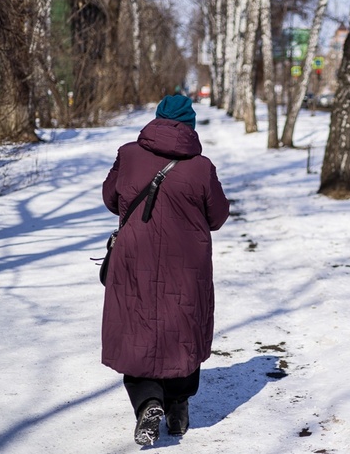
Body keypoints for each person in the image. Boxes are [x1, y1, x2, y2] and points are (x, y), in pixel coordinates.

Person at [101, 95, 229, 445]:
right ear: (190, 124)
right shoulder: (201, 166)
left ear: (156, 120)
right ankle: (178, 408)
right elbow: (217, 217)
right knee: (183, 330)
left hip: (134, 261)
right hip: (188, 265)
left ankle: (148, 401)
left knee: (136, 329)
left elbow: (111, 199)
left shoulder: (128, 155)